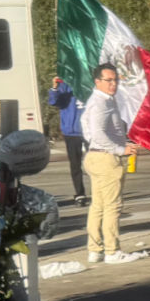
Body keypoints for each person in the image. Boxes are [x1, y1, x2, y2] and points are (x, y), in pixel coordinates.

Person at [80, 63, 142, 264]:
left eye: (115, 80)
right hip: (105, 158)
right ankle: (112, 251)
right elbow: (97, 133)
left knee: (98, 205)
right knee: (112, 206)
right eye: (108, 80)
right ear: (97, 82)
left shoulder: (103, 100)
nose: (113, 84)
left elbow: (87, 126)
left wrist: (122, 144)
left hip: (97, 155)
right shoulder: (101, 102)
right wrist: (119, 149)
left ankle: (95, 249)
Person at [47, 75, 87, 204]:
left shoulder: (88, 83)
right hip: (71, 132)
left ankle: (100, 192)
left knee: (96, 162)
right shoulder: (64, 85)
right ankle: (80, 193)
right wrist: (54, 87)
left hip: (90, 130)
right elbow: (54, 101)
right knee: (75, 165)